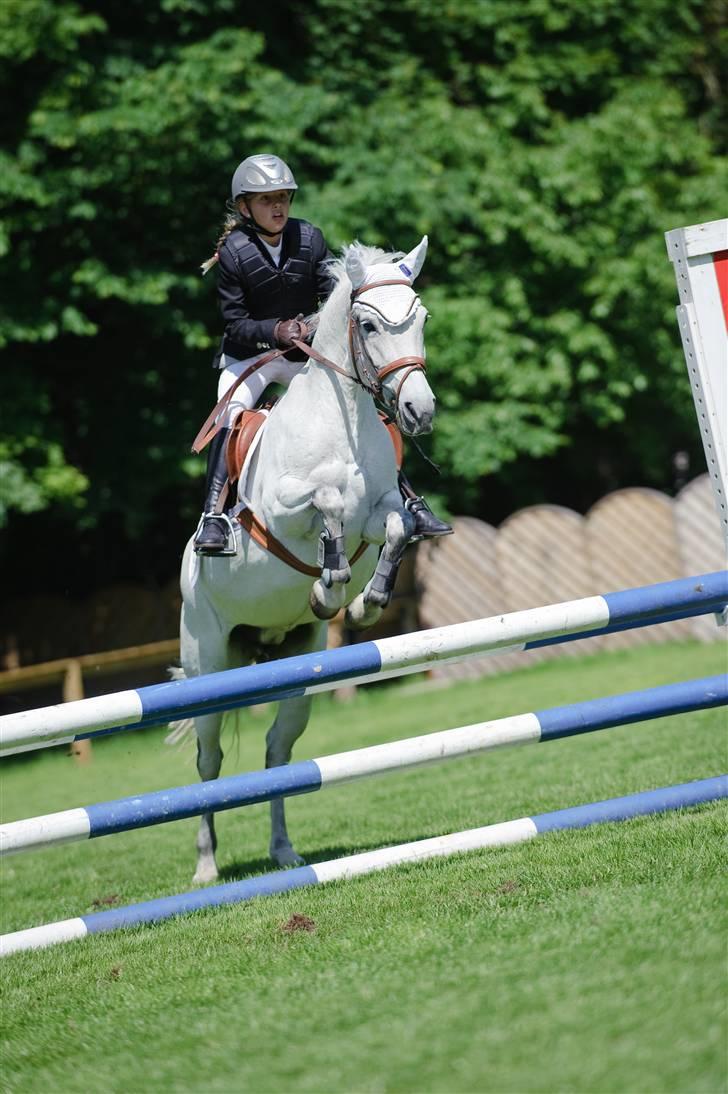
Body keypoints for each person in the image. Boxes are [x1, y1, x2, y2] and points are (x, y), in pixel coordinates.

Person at [194, 152, 452, 554]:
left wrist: (313, 327)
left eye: (283, 197)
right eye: (266, 200)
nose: (278, 207)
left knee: (363, 406)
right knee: (230, 413)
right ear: (245, 208)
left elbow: (333, 299)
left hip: (303, 356)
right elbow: (234, 323)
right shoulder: (233, 252)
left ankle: (409, 499)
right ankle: (214, 516)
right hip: (249, 357)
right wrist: (276, 330)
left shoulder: (309, 238)